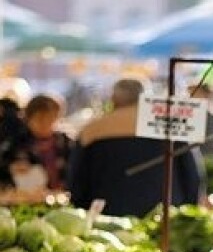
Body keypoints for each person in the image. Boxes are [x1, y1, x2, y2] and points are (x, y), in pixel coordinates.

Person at [68, 78, 205, 217]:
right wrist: (190, 209)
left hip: (109, 216)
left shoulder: (91, 131)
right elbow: (191, 174)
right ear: (146, 98)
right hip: (165, 216)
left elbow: (77, 179)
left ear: (114, 99)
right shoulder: (170, 127)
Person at [13, 95, 73, 191]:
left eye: (50, 119)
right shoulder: (17, 143)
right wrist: (12, 168)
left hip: (62, 197)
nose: (45, 124)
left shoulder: (66, 142)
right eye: (40, 119)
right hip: (30, 199)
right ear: (28, 119)